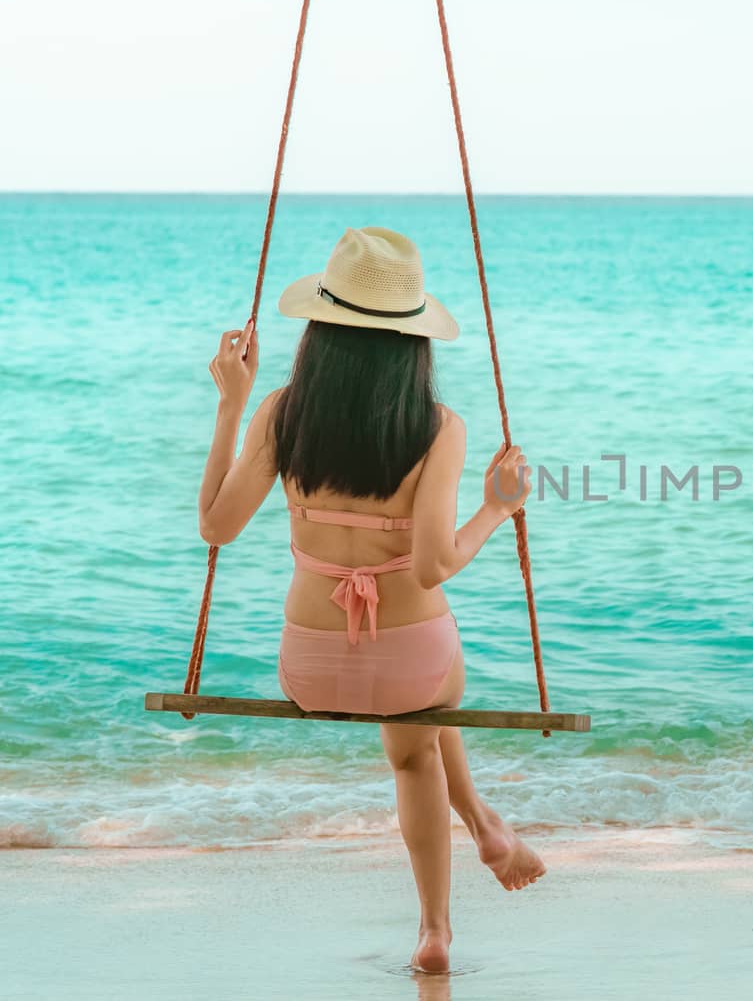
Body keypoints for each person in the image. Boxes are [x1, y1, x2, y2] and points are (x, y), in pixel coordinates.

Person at [195, 226, 544, 974]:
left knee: (416, 718)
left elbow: (215, 528)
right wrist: (496, 509)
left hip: (311, 667)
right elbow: (430, 567)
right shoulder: (437, 427)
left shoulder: (282, 414)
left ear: (320, 328)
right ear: (414, 342)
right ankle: (437, 926)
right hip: (414, 668)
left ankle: (487, 828)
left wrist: (231, 405)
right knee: (416, 736)